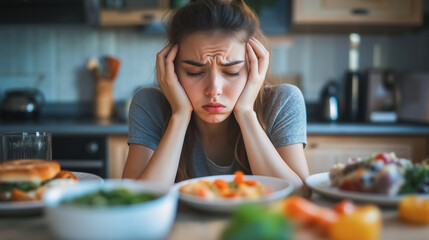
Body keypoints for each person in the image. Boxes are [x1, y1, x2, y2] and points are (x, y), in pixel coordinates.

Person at [122, 0, 309, 189]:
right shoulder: (149, 104)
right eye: (194, 72)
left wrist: (245, 112)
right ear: (172, 69)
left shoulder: (284, 100)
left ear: (254, 69)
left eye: (231, 72)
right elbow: (135, 199)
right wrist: (179, 115)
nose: (213, 89)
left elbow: (299, 193)